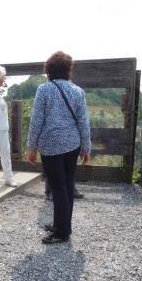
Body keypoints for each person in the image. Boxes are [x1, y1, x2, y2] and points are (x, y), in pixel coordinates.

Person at [27, 51, 91, 244]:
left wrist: (31, 146)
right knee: (67, 184)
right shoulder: (77, 91)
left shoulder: (44, 90)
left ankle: (62, 231)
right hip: (72, 144)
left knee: (59, 187)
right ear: (68, 70)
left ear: (49, 70)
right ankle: (62, 225)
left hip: (51, 145)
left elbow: (36, 120)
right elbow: (83, 121)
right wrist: (86, 147)